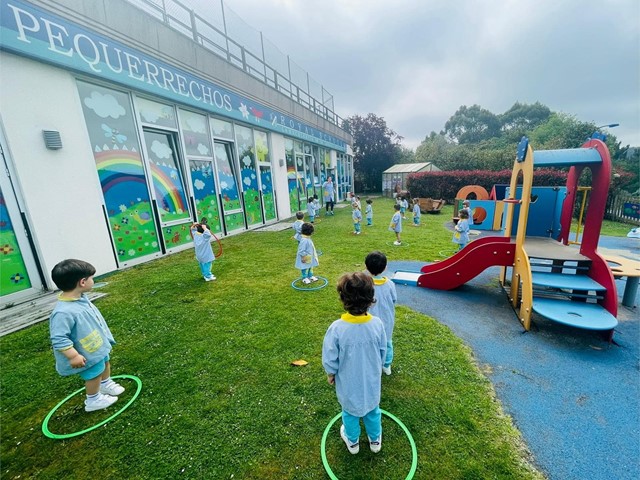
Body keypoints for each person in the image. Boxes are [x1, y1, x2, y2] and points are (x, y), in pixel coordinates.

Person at [322, 272, 386, 454]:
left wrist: (331, 373)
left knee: (349, 412)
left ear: (343, 299)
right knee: (373, 410)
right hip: (372, 380)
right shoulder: (378, 324)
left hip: (348, 382)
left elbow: (330, 357)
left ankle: (353, 443)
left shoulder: (336, 329)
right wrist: (378, 366)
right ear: (371, 298)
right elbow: (383, 350)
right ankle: (375, 441)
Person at [49, 259, 125, 412]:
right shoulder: (63, 312)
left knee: (104, 361)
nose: (93, 280)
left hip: (96, 344)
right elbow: (59, 338)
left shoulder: (80, 298)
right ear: (82, 282)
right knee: (93, 373)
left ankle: (106, 384)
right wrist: (73, 356)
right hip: (85, 352)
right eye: (91, 278)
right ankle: (93, 400)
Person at [365, 251, 397, 376]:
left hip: (368, 321)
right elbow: (394, 300)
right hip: (386, 320)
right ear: (385, 268)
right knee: (387, 343)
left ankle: (377, 364)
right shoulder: (390, 284)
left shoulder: (365, 284)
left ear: (366, 267)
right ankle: (386, 365)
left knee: (371, 343)